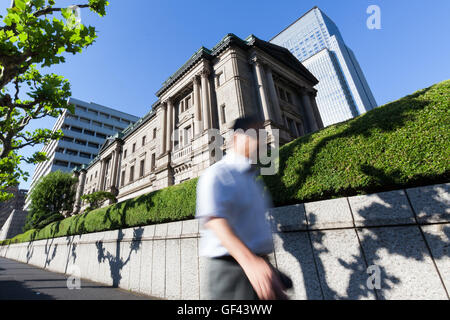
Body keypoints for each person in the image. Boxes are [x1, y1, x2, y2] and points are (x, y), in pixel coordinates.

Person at [196, 116, 289, 300]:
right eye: (256, 135)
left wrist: (263, 266)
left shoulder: (252, 179)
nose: (261, 140)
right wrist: (251, 263)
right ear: (238, 138)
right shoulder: (217, 174)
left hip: (258, 268)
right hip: (231, 273)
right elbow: (215, 221)